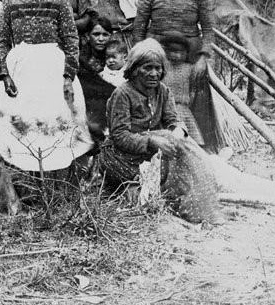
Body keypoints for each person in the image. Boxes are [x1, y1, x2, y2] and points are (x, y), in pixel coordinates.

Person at [99, 39, 222, 223]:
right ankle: (194, 209)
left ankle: (200, 209)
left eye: (158, 68)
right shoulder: (123, 94)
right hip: (120, 156)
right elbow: (119, 136)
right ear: (134, 69)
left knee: (181, 146)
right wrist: (152, 141)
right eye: (147, 68)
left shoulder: (162, 91)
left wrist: (178, 130)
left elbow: (173, 120)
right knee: (169, 143)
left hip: (150, 153)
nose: (154, 74)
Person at [0, 0, 92, 174]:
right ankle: (30, 183)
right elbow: (3, 39)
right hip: (21, 69)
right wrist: (4, 74)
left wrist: (68, 76)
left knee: (55, 121)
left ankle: (58, 183)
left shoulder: (59, 1)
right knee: (23, 121)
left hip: (52, 69)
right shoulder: (11, 1)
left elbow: (71, 38)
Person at [76, 15, 118, 143]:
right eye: (96, 34)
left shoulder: (117, 56)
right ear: (88, 36)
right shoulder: (81, 59)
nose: (100, 39)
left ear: (111, 36)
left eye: (105, 35)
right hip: (91, 106)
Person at [160, 31, 205, 146]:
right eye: (173, 52)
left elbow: (196, 88)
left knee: (192, 141)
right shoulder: (163, 67)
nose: (177, 55)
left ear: (186, 53)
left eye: (181, 52)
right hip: (166, 109)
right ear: (166, 52)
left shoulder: (189, 69)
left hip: (184, 109)